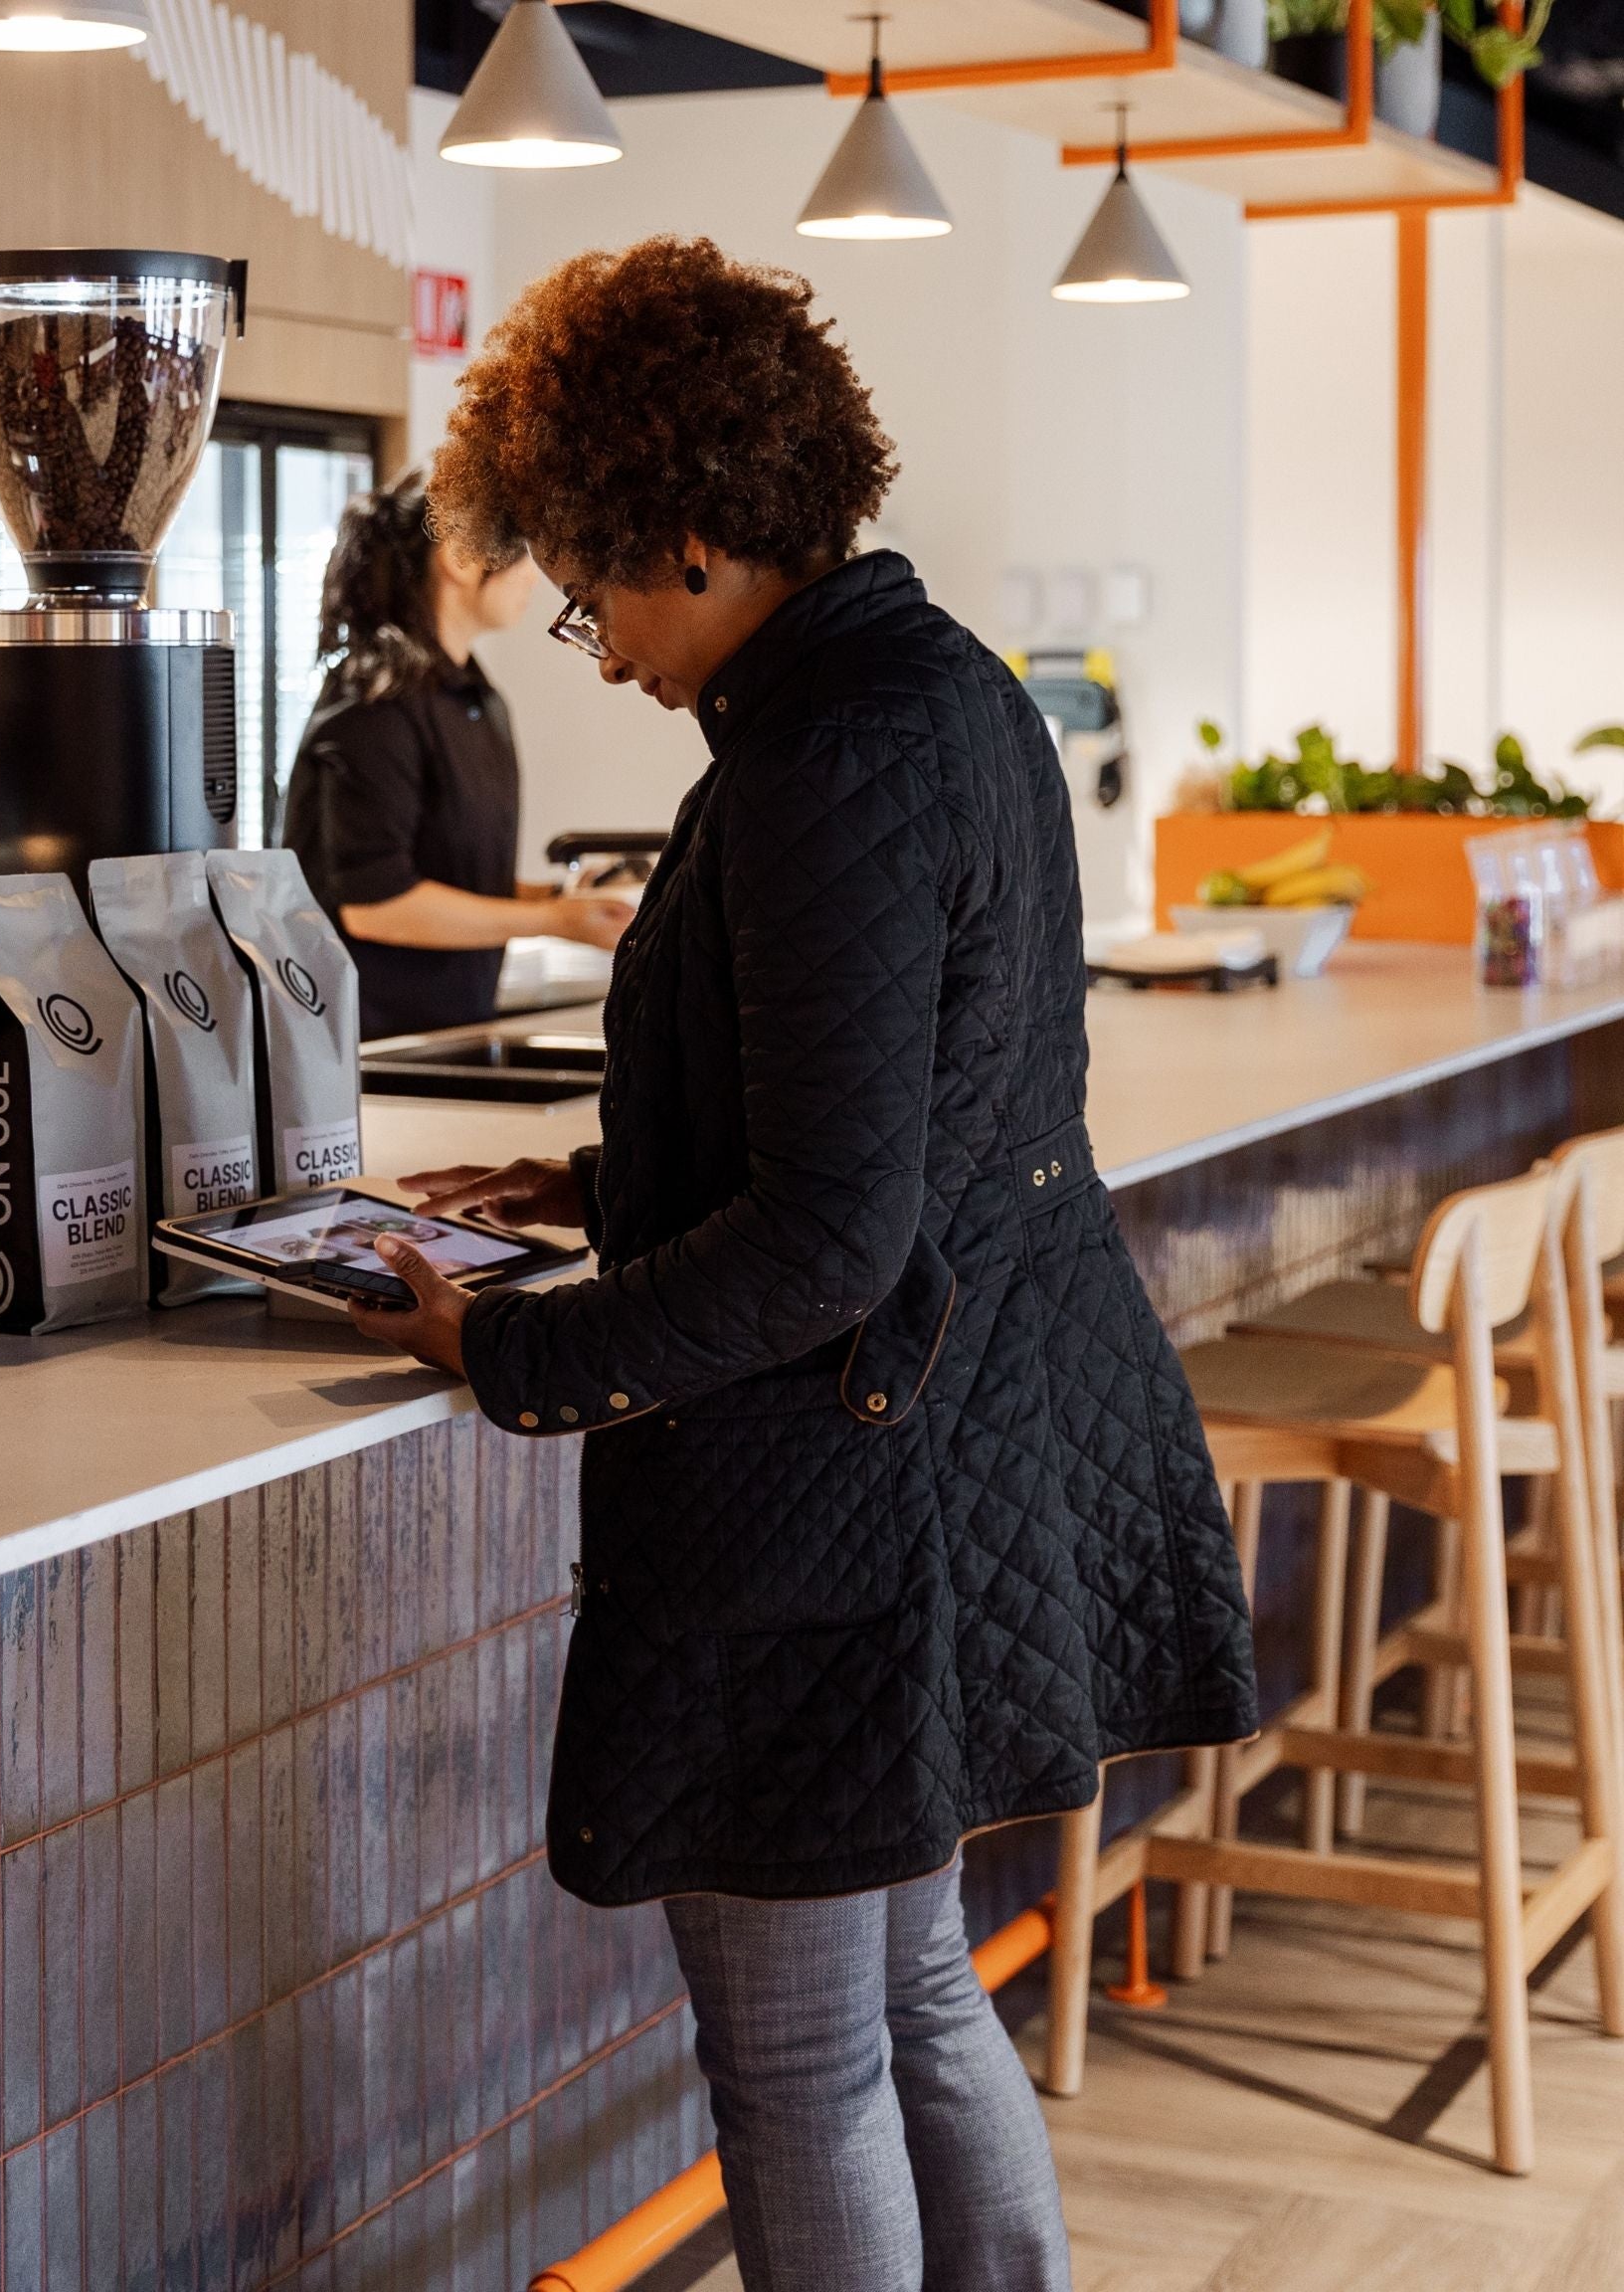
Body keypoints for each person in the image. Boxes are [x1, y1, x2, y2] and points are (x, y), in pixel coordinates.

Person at [345, 238, 1258, 2292]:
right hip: (944, 1456)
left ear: (690, 531)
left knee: (804, 2070)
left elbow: (834, 1233)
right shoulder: (940, 690)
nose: (594, 650)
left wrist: (513, 1353)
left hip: (833, 1506)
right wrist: (594, 1174)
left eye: (597, 594)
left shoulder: (816, 763)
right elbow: (885, 1120)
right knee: (918, 1999)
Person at [280, 471, 631, 1039]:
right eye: (522, 558)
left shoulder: (474, 697)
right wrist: (554, 920)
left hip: (452, 1031)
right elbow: (375, 903)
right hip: (368, 1052)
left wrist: (562, 896)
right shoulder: (375, 702)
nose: (532, 579)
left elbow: (447, 875)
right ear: (462, 559)